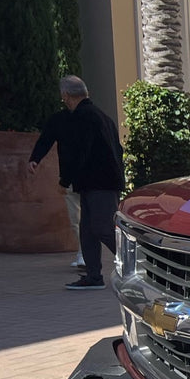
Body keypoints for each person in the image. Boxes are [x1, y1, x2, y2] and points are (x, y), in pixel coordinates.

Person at [28, 76, 124, 290]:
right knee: (88, 229)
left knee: (103, 228)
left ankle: (138, 265)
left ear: (66, 96)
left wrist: (65, 181)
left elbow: (79, 152)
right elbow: (50, 135)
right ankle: (93, 276)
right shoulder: (92, 116)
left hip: (101, 183)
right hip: (97, 182)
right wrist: (36, 157)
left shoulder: (86, 118)